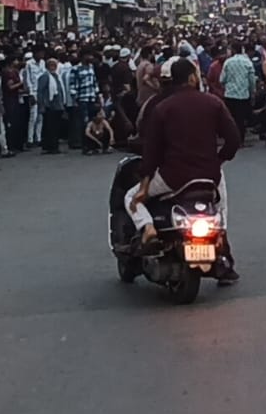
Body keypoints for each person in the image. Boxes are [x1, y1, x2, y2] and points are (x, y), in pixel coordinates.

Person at [127, 58, 241, 284]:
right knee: (221, 208)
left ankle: (147, 227)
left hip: (173, 177)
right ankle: (223, 250)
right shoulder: (213, 102)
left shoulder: (160, 107)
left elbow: (150, 151)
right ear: (191, 78)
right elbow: (234, 139)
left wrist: (145, 181)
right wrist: (218, 160)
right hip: (209, 176)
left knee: (131, 197)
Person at [220, 42, 255, 145]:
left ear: (233, 50)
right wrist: (252, 92)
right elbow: (251, 80)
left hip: (230, 94)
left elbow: (222, 79)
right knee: (241, 119)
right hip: (243, 94)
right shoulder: (247, 62)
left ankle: (231, 140)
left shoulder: (228, 62)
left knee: (231, 118)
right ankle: (241, 140)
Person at [69, 51, 101, 146]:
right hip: (82, 99)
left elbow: (94, 82)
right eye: (89, 55)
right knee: (84, 121)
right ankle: (84, 143)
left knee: (93, 121)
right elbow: (72, 85)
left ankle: (92, 143)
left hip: (91, 98)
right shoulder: (75, 69)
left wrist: (97, 96)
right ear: (83, 56)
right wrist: (75, 98)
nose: (91, 57)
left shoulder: (91, 68)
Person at [36, 57, 66, 155]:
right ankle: (50, 147)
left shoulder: (57, 76)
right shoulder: (45, 77)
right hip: (49, 106)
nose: (53, 67)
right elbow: (40, 92)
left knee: (56, 127)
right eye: (51, 65)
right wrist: (42, 105)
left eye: (54, 65)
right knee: (50, 128)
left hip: (58, 106)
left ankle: (54, 146)